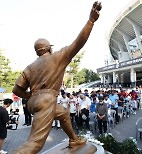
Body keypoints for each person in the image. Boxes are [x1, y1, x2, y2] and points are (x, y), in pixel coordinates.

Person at [12, 2, 102, 154]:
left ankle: (74, 139)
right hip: (46, 100)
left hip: (33, 102)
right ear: (49, 48)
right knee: (34, 144)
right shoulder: (57, 57)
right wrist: (91, 21)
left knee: (63, 113)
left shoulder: (29, 67)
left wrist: (31, 96)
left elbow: (16, 89)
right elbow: (79, 42)